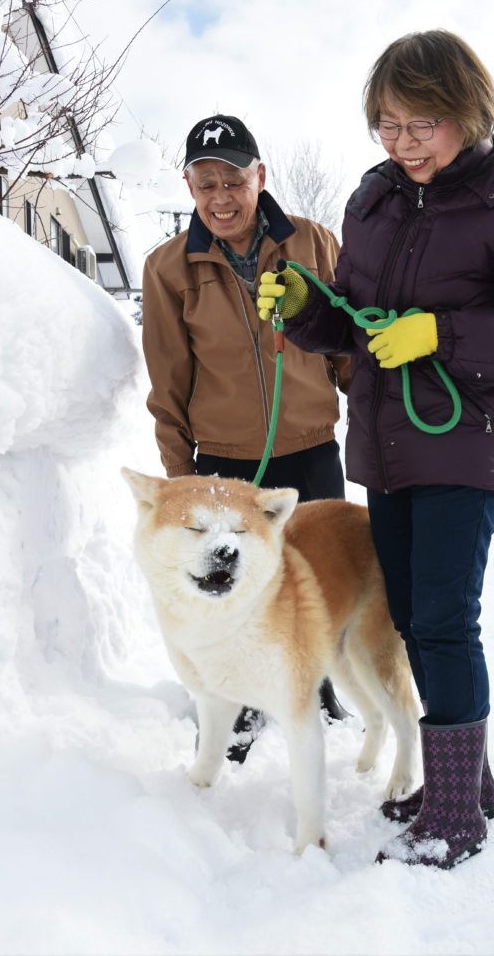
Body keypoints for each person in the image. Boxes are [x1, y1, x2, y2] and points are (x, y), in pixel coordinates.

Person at [258, 31, 494, 868]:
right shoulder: (372, 201)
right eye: (387, 125)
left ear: (469, 112)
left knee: (443, 622)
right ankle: (465, 783)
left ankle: (454, 816)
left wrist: (441, 333)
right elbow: (357, 326)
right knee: (408, 617)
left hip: (464, 443)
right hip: (386, 443)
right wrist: (305, 305)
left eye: (422, 124)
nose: (402, 144)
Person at [142, 114, 352, 762]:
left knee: (315, 582)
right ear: (189, 187)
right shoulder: (169, 268)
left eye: (233, 179)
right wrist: (183, 484)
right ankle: (234, 708)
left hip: (311, 448)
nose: (221, 196)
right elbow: (169, 383)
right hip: (226, 464)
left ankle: (315, 689)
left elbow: (347, 346)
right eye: (206, 184)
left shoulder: (314, 244)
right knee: (229, 588)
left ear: (260, 177)